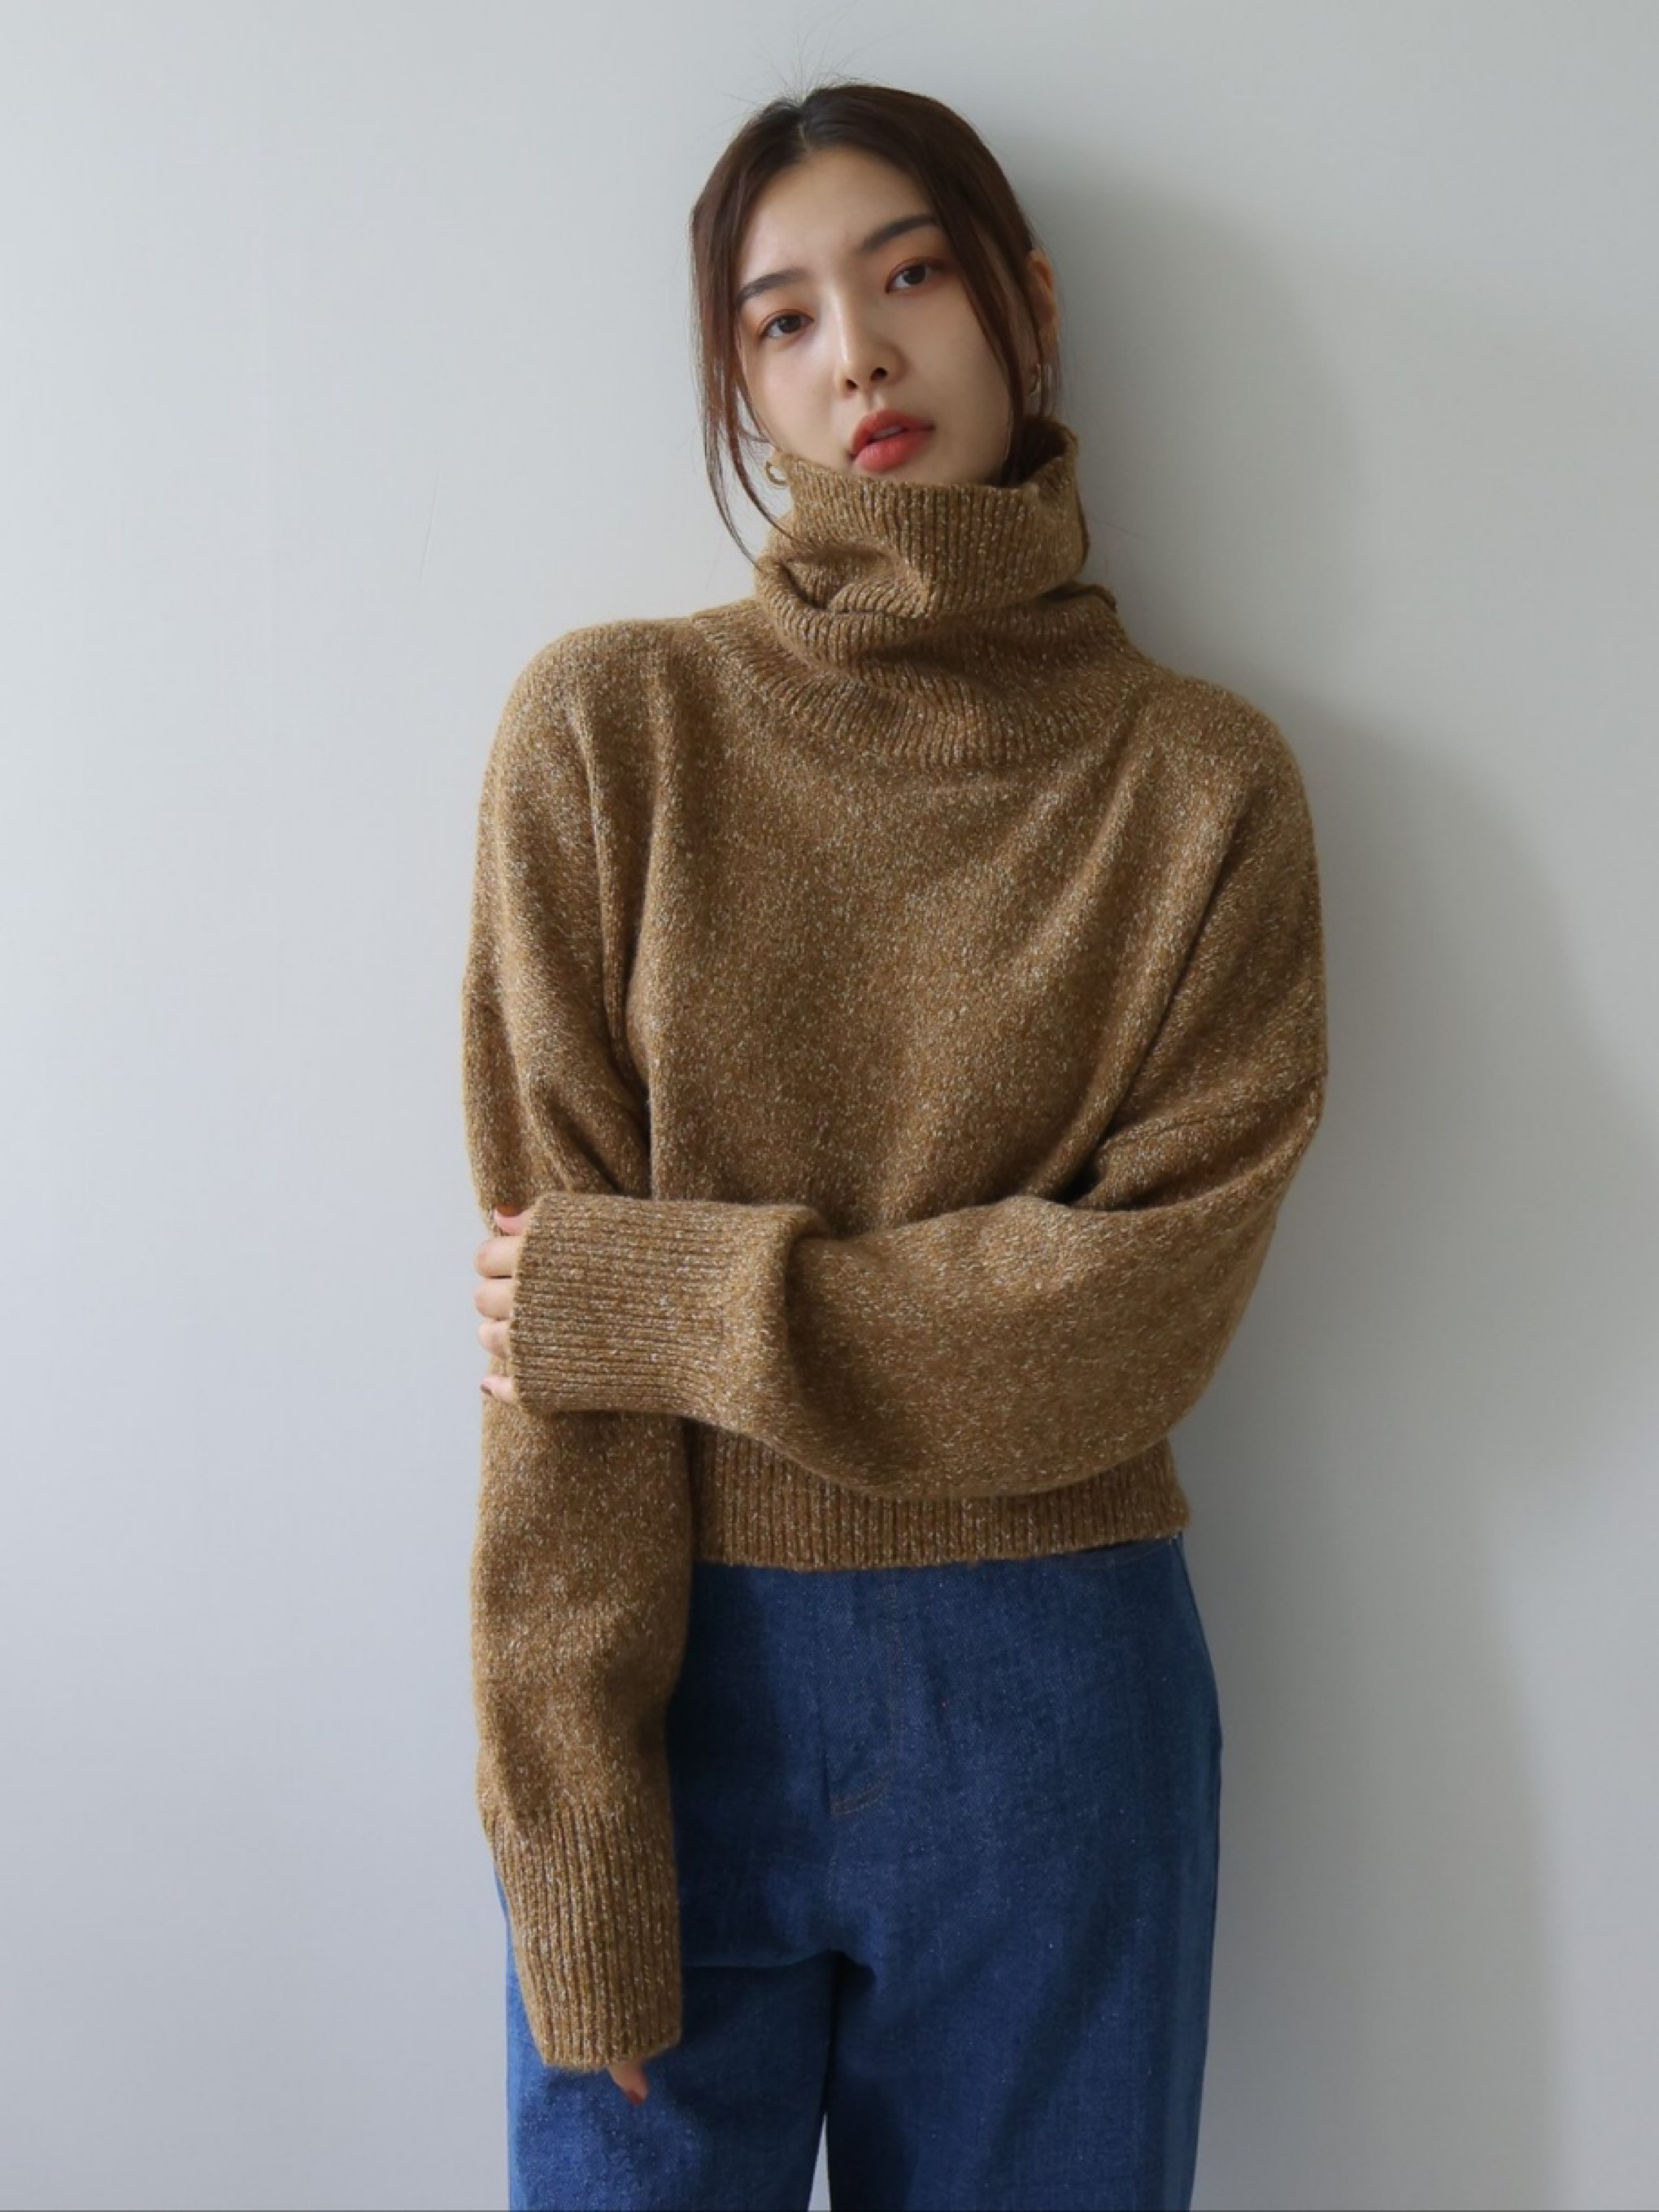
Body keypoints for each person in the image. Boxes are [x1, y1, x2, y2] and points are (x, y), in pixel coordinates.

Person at [464, 77, 1329, 2212]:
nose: (856, 354)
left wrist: (663, 1291)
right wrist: (574, 1836)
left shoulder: (1201, 789)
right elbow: (549, 1387)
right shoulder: (612, 737)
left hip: (1064, 1712)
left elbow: (1125, 1322)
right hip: (675, 1692)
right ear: (738, 382)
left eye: (909, 275)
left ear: (1025, 302)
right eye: (781, 320)